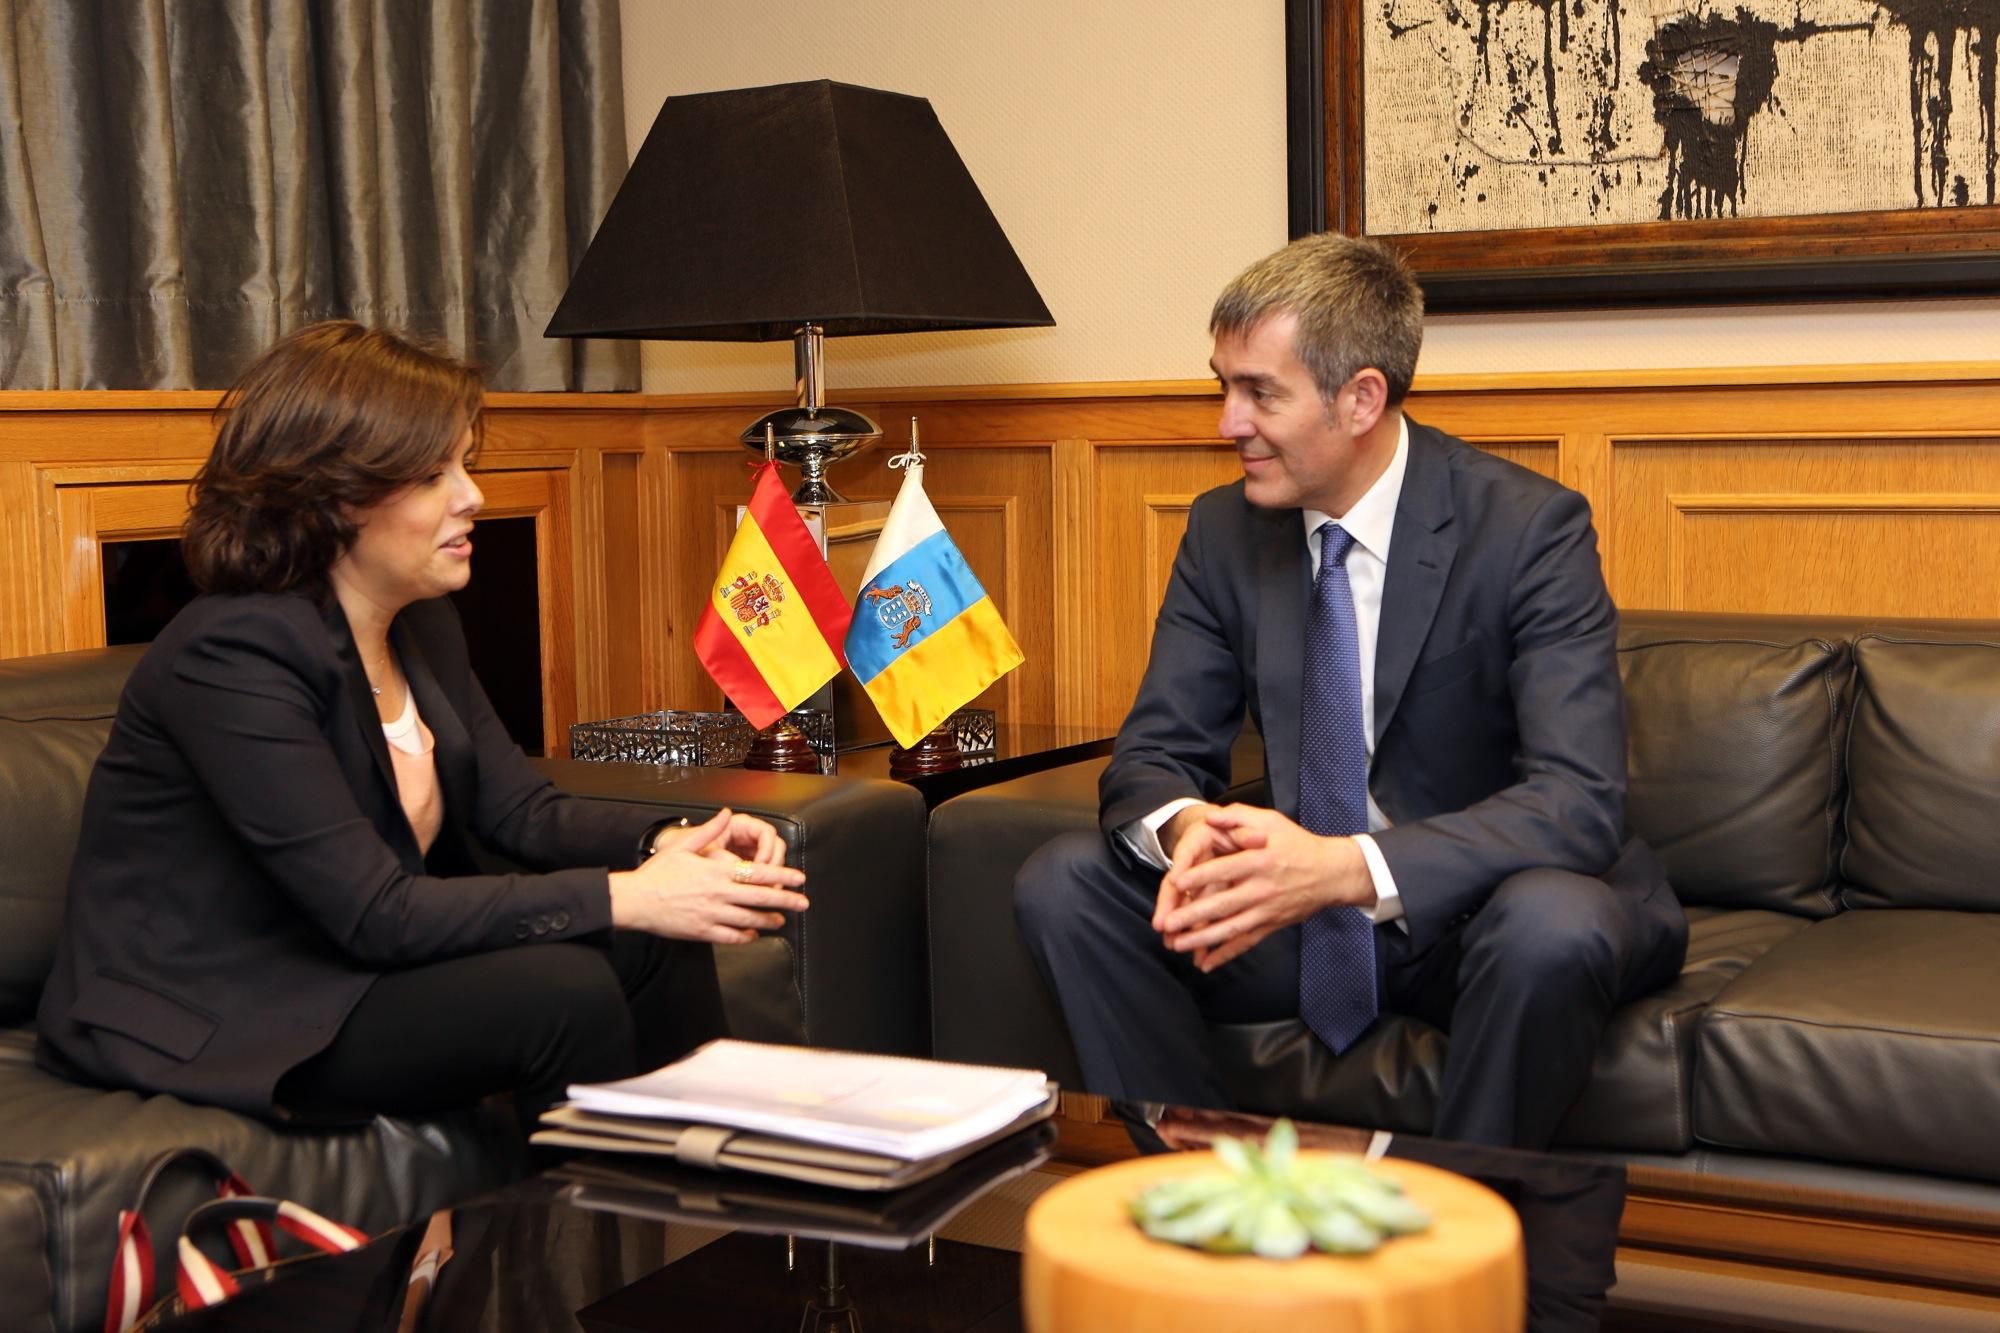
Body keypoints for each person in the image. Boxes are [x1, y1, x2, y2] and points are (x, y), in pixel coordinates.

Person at [36, 321, 809, 1130]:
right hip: (226, 1001)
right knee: (564, 991)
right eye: (435, 473)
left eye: (465, 464)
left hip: (342, 960)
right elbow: (374, 911)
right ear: (335, 494)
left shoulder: (421, 623)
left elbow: (521, 812)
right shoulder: (232, 655)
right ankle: (587, 1234)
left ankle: (711, 1190)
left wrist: (668, 846)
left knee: (656, 937)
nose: (473, 494)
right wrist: (627, 895)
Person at [1015, 234, 1686, 1150]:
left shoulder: (1528, 530)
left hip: (1471, 918)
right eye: (1223, 384)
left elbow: (1578, 801)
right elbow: (1155, 753)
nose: (1227, 422)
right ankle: (1204, 1201)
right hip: (1295, 926)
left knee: (1552, 925)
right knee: (1067, 883)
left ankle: (1449, 1239)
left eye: (1260, 392)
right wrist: (1186, 832)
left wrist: (1343, 870)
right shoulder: (1224, 534)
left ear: (1360, 398)